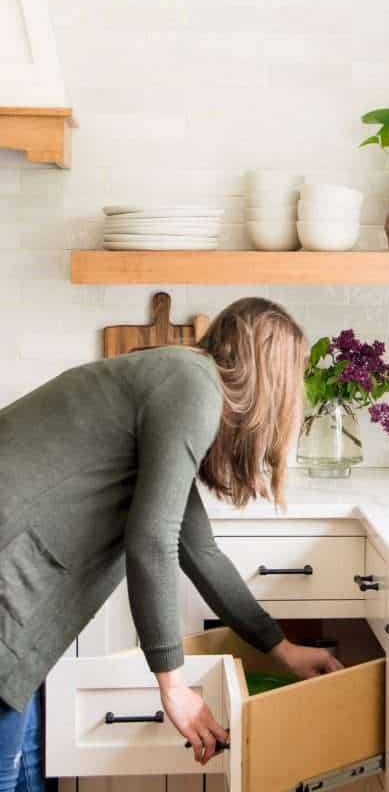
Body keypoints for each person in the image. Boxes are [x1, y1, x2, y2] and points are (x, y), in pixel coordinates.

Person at [0, 298, 341, 790]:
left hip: (17, 582)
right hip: (10, 578)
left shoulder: (180, 381)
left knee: (30, 764)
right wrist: (173, 684)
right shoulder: (192, 386)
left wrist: (281, 647)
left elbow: (196, 548)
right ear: (269, 379)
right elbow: (152, 542)